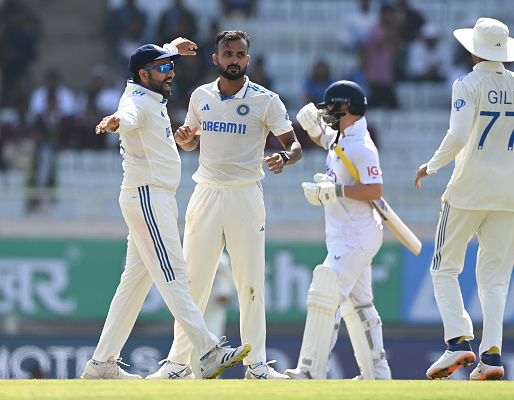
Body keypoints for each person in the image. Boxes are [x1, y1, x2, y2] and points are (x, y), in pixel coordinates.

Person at [81, 38, 251, 380]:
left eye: (171, 65)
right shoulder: (137, 102)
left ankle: (101, 365)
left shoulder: (149, 92)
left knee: (134, 284)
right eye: (163, 68)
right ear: (144, 75)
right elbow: (127, 115)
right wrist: (115, 120)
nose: (171, 72)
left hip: (152, 197)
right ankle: (208, 351)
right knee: (174, 274)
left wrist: (172, 47)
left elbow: (151, 59)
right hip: (147, 197)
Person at [148, 30, 302, 380]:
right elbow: (190, 141)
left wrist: (283, 157)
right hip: (205, 192)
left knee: (250, 282)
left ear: (248, 59)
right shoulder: (200, 96)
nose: (234, 59)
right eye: (228, 54)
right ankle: (178, 365)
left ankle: (257, 366)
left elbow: (294, 146)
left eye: (240, 54)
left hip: (245, 194)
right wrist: (186, 140)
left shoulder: (266, 100)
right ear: (215, 59)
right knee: (192, 283)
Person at [414, 18, 514, 381]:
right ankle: (491, 356)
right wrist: (505, 162)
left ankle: (458, 343)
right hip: (507, 196)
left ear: (473, 49)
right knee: (494, 281)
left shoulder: (467, 83)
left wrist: (433, 165)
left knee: (444, 268)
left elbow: (458, 134)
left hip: (467, 191)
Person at [283, 80, 391, 380]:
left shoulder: (362, 146)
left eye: (330, 108)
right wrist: (315, 130)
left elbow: (375, 189)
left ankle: (310, 369)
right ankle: (377, 374)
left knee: (324, 291)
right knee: (359, 305)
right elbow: (329, 142)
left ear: (345, 108)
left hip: (356, 236)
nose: (326, 113)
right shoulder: (344, 139)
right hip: (348, 235)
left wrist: (336, 192)